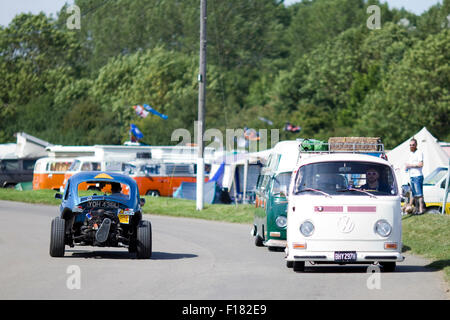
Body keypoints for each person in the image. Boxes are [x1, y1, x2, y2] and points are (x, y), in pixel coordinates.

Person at [405, 138, 425, 214]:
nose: (411, 146)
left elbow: (421, 164)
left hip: (418, 176)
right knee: (414, 194)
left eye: (413, 145)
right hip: (412, 176)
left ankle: (421, 209)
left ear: (416, 145)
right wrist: (407, 167)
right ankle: (416, 209)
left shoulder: (419, 152)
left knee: (419, 195)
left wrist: (410, 165)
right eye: (410, 145)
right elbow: (410, 164)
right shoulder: (410, 153)